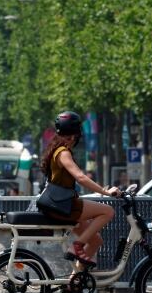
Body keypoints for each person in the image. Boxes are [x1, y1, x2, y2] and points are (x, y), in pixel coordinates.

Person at [39, 111, 120, 267]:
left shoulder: (56, 150)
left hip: (60, 204)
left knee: (96, 241)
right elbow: (81, 177)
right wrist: (105, 192)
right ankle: (77, 246)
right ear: (76, 134)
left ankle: (73, 282)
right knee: (108, 211)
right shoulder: (63, 153)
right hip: (64, 206)